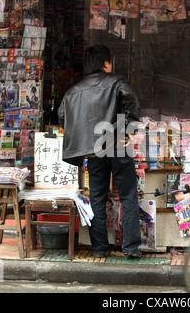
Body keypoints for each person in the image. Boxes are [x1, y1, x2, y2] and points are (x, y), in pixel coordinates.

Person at [58, 45, 142, 259]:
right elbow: (131, 100)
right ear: (106, 63)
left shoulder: (74, 91)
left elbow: (62, 116)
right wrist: (128, 130)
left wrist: (83, 136)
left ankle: (98, 248)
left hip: (94, 149)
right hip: (118, 146)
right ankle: (130, 248)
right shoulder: (117, 81)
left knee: (97, 198)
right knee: (128, 197)